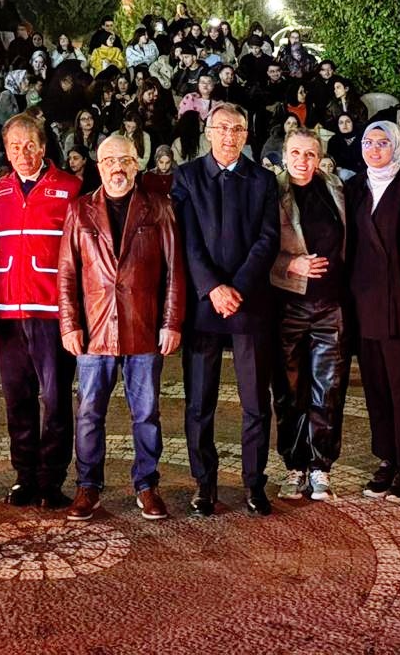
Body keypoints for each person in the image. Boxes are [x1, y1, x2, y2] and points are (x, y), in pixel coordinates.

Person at [58, 135, 184, 522]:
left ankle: (147, 485)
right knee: (89, 413)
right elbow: (66, 274)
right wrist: (69, 324)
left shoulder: (159, 208)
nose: (117, 167)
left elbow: (175, 271)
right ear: (98, 165)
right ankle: (88, 486)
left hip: (143, 328)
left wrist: (171, 322)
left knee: (146, 413)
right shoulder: (79, 211)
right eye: (109, 160)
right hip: (95, 332)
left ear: (137, 164)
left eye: (125, 160)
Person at [170, 102, 281, 516]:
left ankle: (254, 483)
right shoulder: (187, 177)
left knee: (255, 402)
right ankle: (205, 484)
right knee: (200, 401)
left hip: (250, 306)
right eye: (221, 128)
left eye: (237, 128)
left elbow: (267, 240)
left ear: (246, 134)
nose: (229, 136)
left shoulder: (263, 180)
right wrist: (213, 287)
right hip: (204, 306)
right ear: (208, 131)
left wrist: (237, 288)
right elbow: (187, 239)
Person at [0, 113, 81, 508]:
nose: (23, 153)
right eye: (14, 146)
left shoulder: (71, 187)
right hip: (8, 312)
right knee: (17, 398)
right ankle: (24, 476)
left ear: (43, 146)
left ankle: (52, 479)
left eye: (30, 145)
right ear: (5, 150)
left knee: (57, 400)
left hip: (52, 312)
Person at [346, 121, 400, 502]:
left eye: (383, 142)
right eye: (368, 142)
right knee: (375, 387)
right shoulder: (351, 189)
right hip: (362, 301)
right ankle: (385, 458)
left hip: (398, 300)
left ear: (396, 146)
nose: (375, 149)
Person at [270, 128, 351, 502]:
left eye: (311, 154)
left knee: (329, 388)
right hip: (288, 304)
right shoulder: (271, 191)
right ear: (284, 155)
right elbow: (256, 246)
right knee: (289, 391)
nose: (303, 161)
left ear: (320, 158)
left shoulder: (334, 187)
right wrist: (291, 264)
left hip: (330, 304)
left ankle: (320, 467)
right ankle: (294, 466)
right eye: (296, 153)